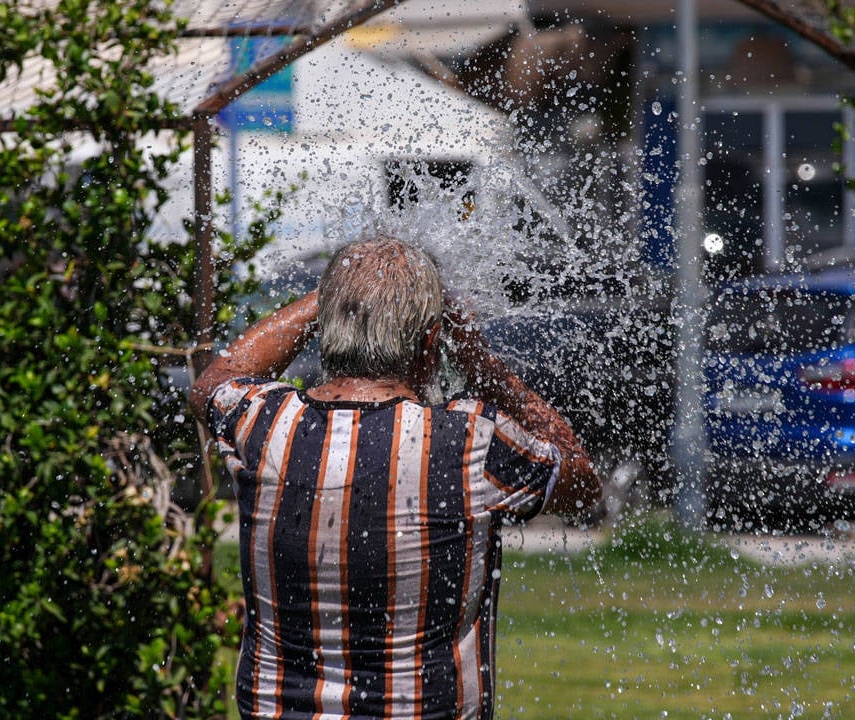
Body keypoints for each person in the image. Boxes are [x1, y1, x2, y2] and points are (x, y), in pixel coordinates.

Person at [190, 237, 599, 720]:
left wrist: (332, 299)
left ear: (327, 329)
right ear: (431, 343)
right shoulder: (468, 441)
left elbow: (212, 383)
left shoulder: (265, 424)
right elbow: (580, 481)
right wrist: (479, 361)